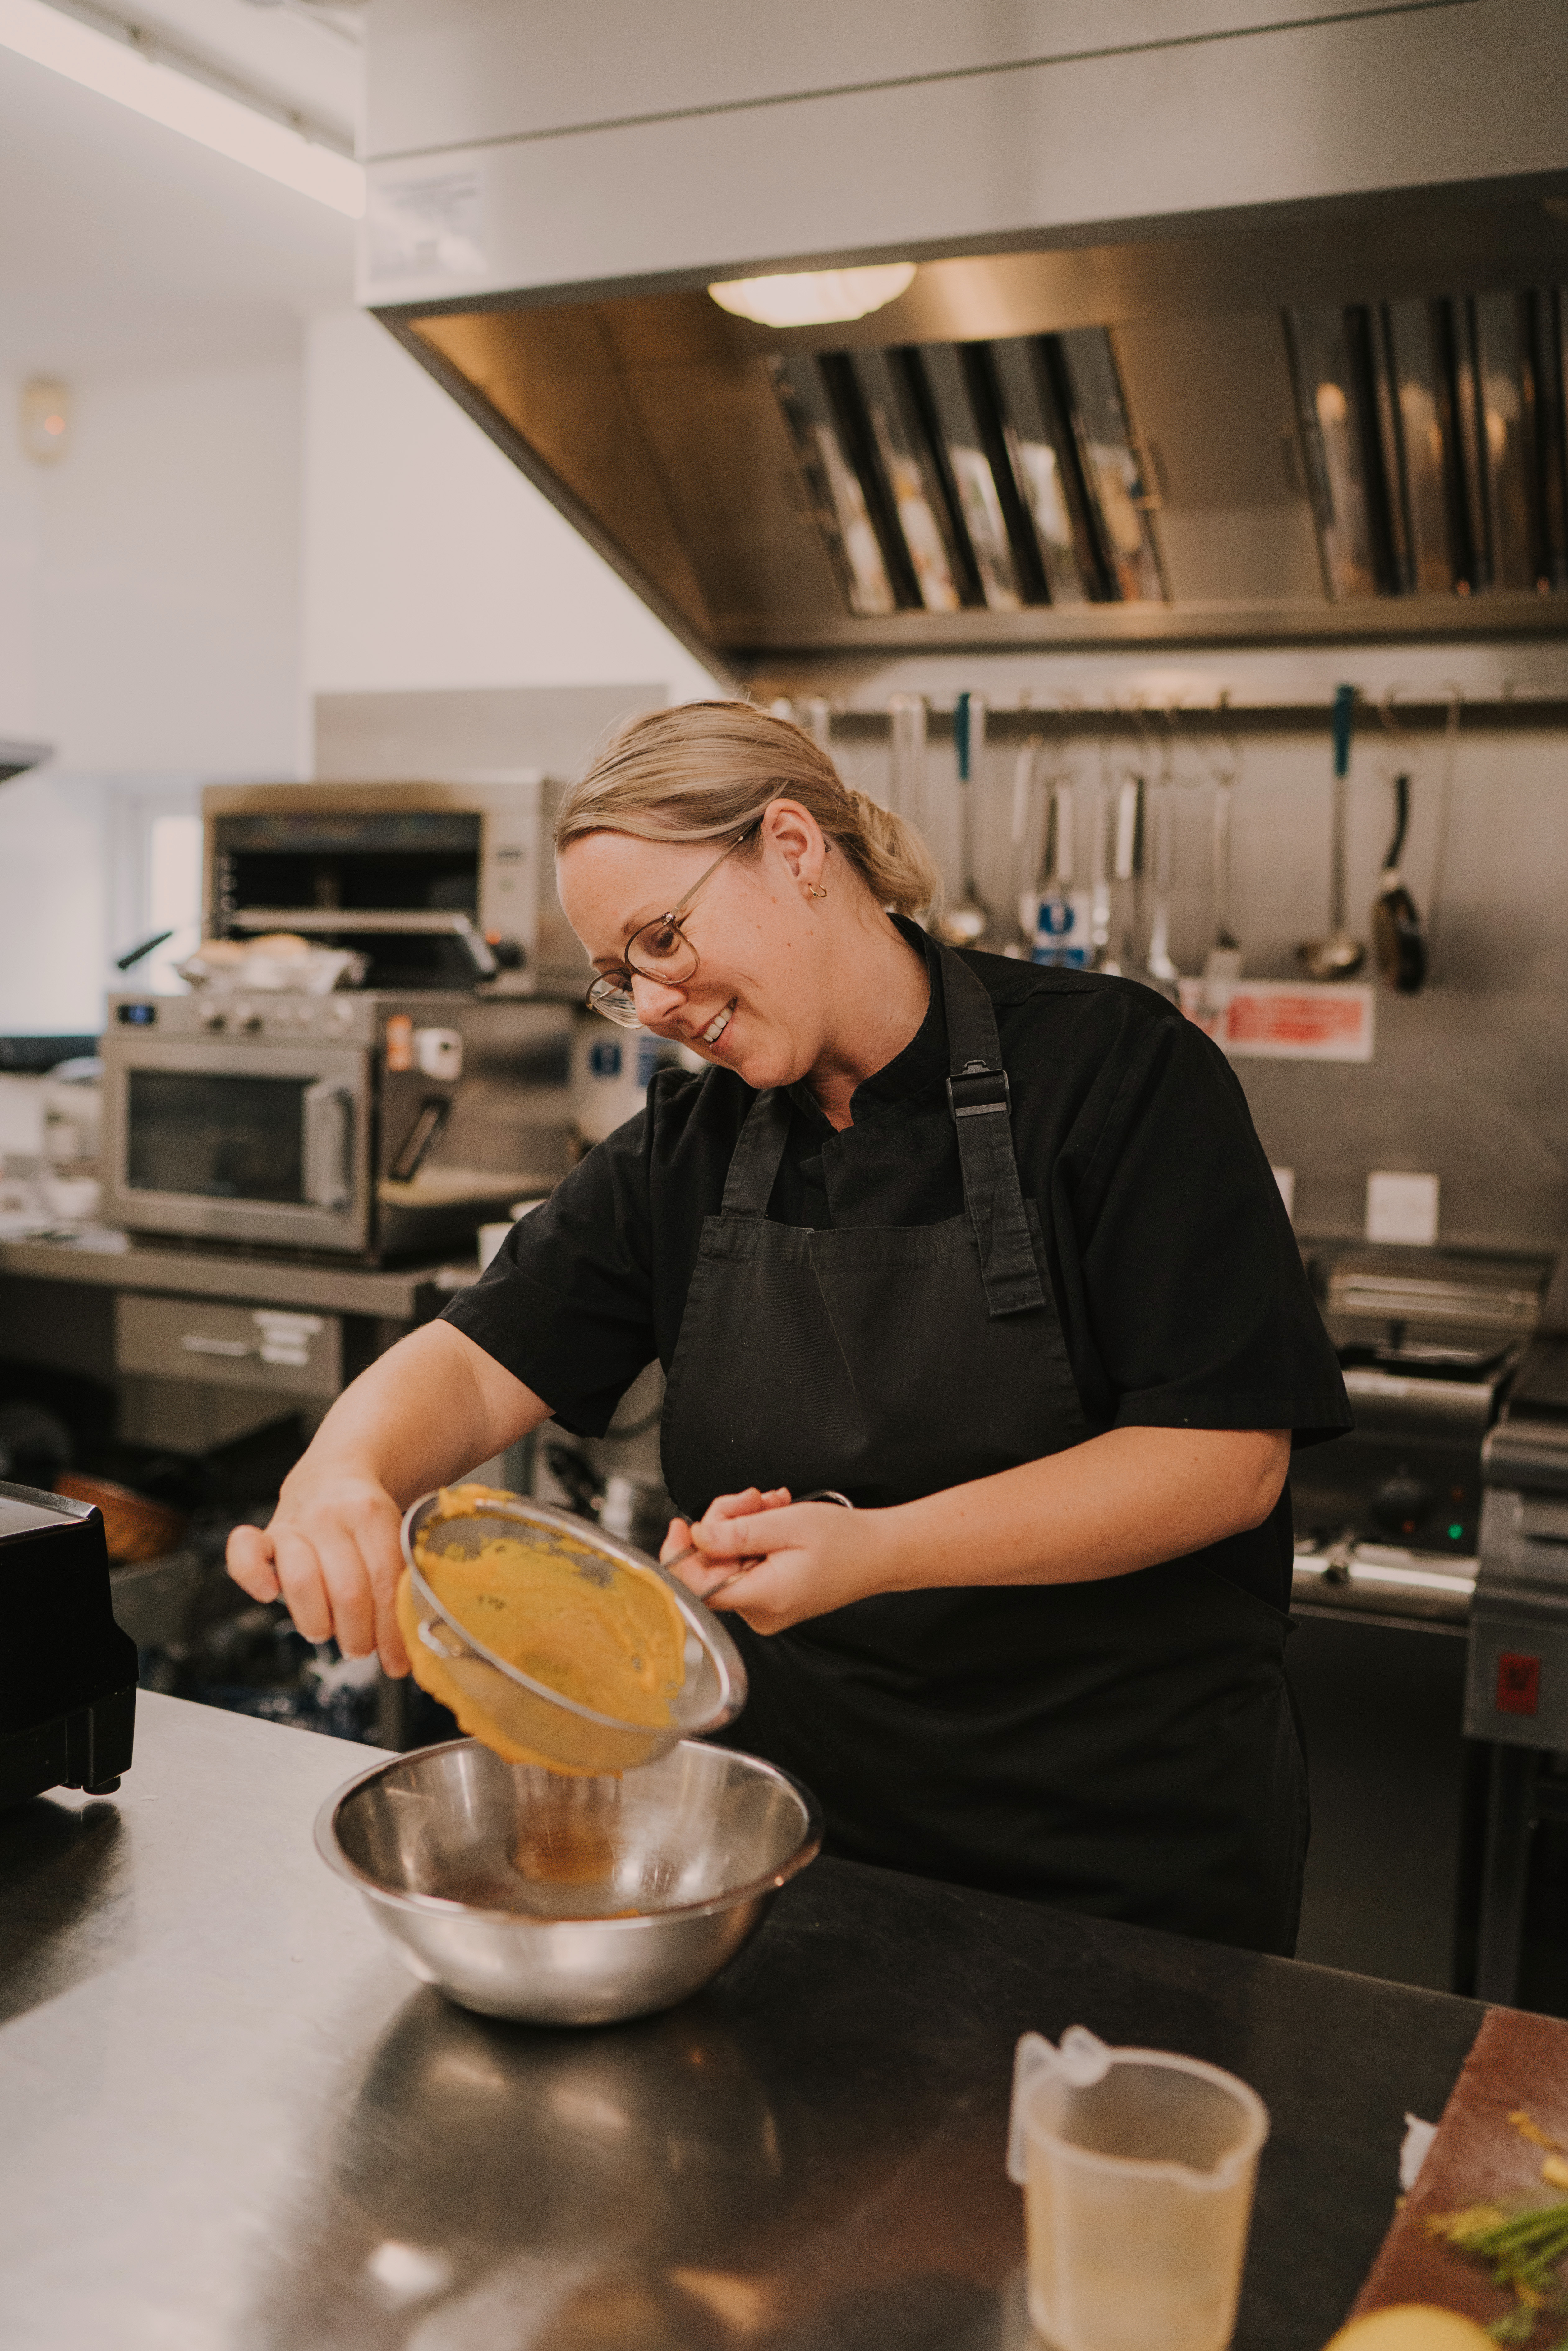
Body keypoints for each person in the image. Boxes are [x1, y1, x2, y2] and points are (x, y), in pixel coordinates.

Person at [228, 700, 1350, 1953]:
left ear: (794, 848)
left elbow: (1220, 1459)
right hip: (804, 1864)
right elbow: (472, 1361)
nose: (651, 1000)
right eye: (620, 973)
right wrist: (341, 1473)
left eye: (662, 936)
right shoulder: (688, 1147)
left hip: (1120, 1876)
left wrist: (875, 1550)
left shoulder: (1120, 1074)